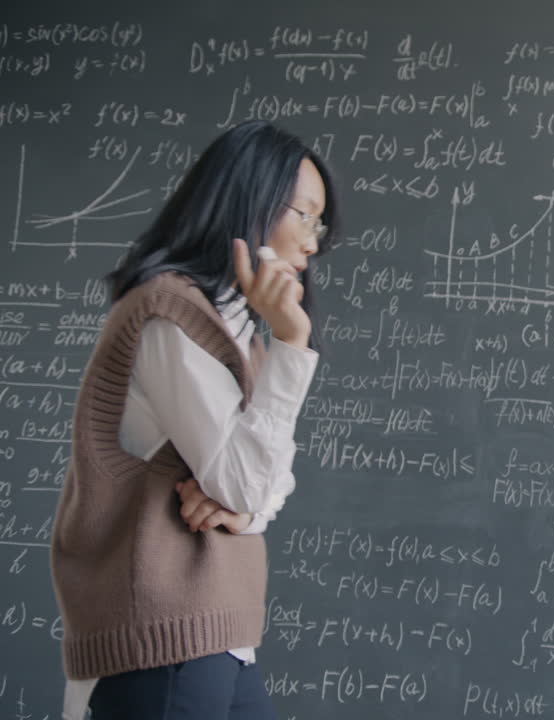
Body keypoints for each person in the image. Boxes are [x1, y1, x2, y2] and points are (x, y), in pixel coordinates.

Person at [50, 120, 340, 719]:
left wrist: (249, 511)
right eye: (304, 215)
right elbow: (249, 480)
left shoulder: (240, 336)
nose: (313, 242)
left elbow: (268, 483)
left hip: (219, 632)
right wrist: (293, 344)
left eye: (320, 224)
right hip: (163, 635)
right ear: (250, 200)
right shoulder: (170, 316)